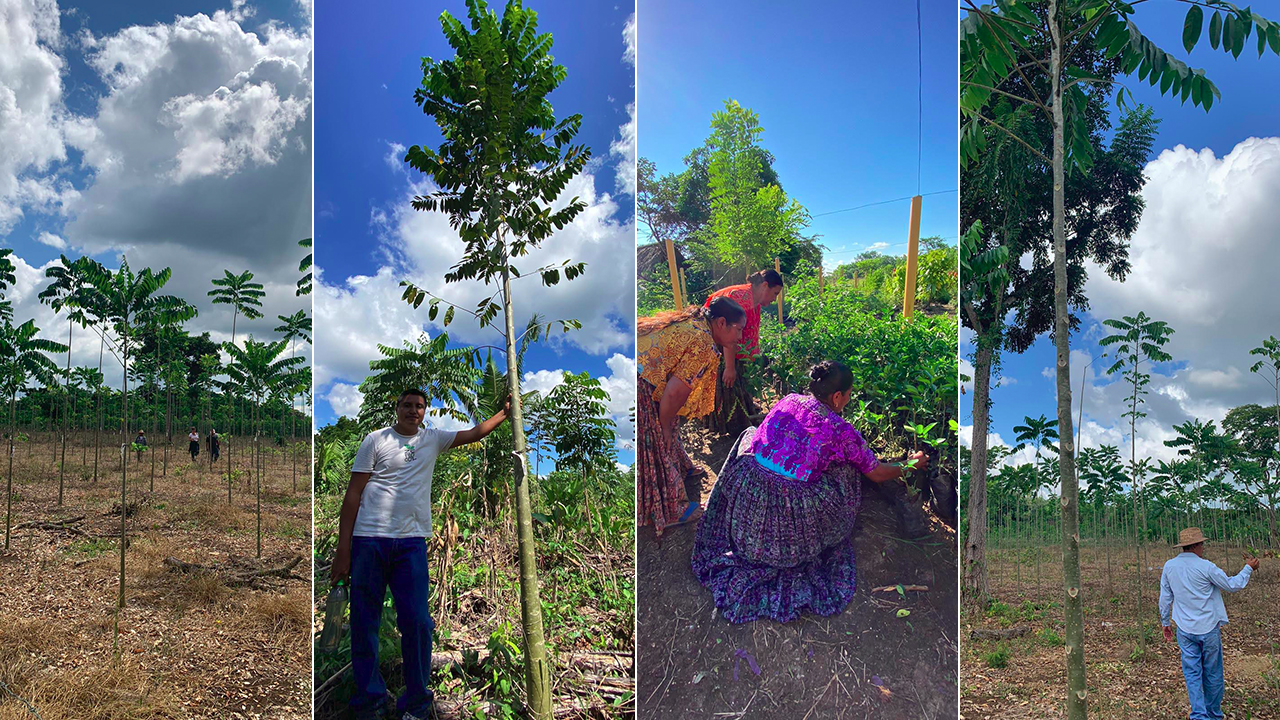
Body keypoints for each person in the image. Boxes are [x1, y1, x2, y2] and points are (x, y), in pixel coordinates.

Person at [692, 361, 929, 624]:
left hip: (749, 497)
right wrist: (910, 464)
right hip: (785, 514)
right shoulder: (840, 430)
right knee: (847, 470)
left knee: (751, 434)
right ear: (837, 396)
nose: (848, 400)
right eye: (849, 395)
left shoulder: (789, 400)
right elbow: (875, 472)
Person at [330, 389, 511, 720]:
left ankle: (415, 702)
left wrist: (505, 414)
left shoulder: (433, 439)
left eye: (419, 406)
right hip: (369, 540)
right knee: (364, 621)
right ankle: (370, 700)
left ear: (425, 411)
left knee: (417, 622)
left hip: (411, 543)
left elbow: (473, 433)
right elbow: (353, 494)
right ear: (396, 408)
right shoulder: (376, 441)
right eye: (407, 405)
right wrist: (343, 551)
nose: (413, 410)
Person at [637, 297, 746, 538]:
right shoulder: (703, 344)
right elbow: (674, 392)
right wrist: (663, 425)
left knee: (668, 423)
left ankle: (680, 466)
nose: (739, 337)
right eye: (738, 330)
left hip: (645, 375)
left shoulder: (696, 323)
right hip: (641, 382)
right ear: (721, 323)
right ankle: (669, 509)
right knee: (657, 436)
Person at [1159, 527, 1259, 720]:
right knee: (1212, 673)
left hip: (1184, 629)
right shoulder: (1206, 567)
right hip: (1208, 629)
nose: (1203, 548)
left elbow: (1165, 598)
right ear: (1196, 545)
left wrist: (1165, 622)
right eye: (1202, 544)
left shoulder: (1169, 566)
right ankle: (1213, 714)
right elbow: (1231, 585)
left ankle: (1198, 714)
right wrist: (1248, 568)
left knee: (1192, 673)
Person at [703, 269, 785, 433]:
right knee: (728, 382)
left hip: (733, 347)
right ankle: (728, 427)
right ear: (764, 285)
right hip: (721, 345)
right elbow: (727, 335)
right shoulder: (738, 298)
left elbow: (749, 332)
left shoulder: (755, 300)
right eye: (775, 293)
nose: (774, 299)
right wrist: (730, 367)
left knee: (740, 384)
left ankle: (744, 416)